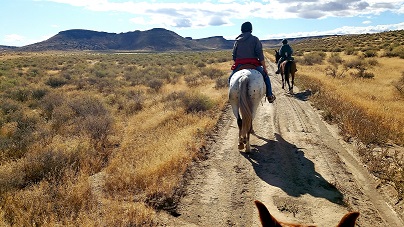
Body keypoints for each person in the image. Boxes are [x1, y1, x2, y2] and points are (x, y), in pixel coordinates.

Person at [229, 21, 276, 103]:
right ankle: (269, 95)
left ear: (241, 30)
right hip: (253, 64)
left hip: (240, 65)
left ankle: (231, 97)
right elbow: (260, 55)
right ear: (251, 29)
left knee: (230, 78)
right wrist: (264, 68)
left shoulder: (237, 41)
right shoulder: (255, 39)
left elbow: (234, 56)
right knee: (266, 77)